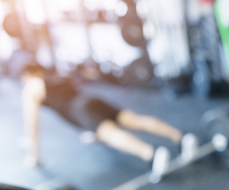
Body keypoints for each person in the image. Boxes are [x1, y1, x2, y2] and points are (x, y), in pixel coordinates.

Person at [20, 63, 184, 169]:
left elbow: (32, 123)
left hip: (80, 110)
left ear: (26, 75)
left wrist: (33, 155)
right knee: (135, 120)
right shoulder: (56, 76)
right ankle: (180, 138)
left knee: (111, 135)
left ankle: (152, 154)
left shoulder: (31, 86)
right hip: (91, 100)